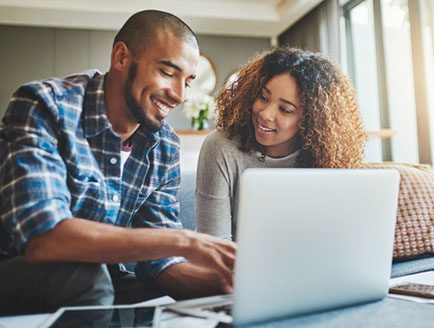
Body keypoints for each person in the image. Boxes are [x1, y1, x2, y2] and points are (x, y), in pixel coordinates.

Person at [0, 10, 236, 315]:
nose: (179, 95)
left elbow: (158, 264)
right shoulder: (44, 105)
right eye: (167, 72)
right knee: (89, 278)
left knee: (161, 300)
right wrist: (183, 240)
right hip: (17, 268)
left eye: (187, 82)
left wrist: (226, 283)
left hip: (99, 279)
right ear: (121, 58)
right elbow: (44, 238)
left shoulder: (163, 145)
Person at [196, 47, 366, 240]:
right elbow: (214, 244)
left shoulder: (326, 158)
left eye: (285, 109)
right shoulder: (221, 146)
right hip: (234, 266)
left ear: (310, 120)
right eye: (263, 97)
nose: (265, 114)